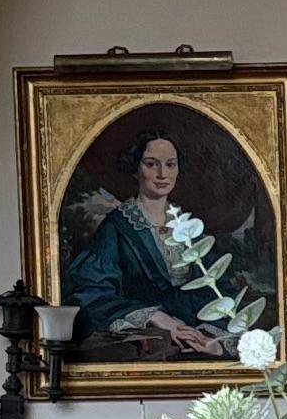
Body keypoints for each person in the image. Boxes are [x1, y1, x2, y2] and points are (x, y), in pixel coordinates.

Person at [62, 130, 234, 358]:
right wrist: (155, 318)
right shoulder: (117, 226)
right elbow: (92, 291)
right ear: (136, 169)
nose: (162, 174)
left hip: (194, 337)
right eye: (151, 164)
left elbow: (218, 291)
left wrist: (210, 339)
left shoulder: (189, 225)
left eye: (170, 165)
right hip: (147, 340)